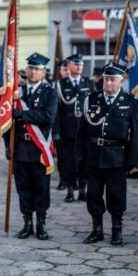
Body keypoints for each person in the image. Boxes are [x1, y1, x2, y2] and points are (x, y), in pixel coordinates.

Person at [77, 63, 138, 246]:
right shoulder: (91, 99)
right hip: (94, 155)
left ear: (121, 81)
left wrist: (133, 159)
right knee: (94, 194)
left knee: (116, 195)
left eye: (113, 79)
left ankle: (116, 229)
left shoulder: (131, 101)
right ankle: (97, 229)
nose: (109, 83)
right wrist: (79, 155)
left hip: (117, 156)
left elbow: (136, 134)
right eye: (106, 79)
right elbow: (81, 130)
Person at [4, 53, 57, 240]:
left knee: (41, 187)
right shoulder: (17, 93)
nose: (33, 72)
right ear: (26, 70)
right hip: (20, 147)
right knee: (23, 187)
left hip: (39, 148)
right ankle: (27, 223)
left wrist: (23, 115)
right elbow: (6, 122)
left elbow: (48, 117)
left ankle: (41, 223)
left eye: (37, 69)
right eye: (30, 68)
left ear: (43, 72)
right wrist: (7, 145)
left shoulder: (50, 93)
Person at [54, 54, 94, 202]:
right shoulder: (61, 85)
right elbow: (57, 111)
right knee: (68, 163)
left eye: (81, 64)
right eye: (76, 64)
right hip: (67, 130)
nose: (79, 67)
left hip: (85, 130)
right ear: (69, 66)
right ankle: (70, 189)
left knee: (84, 161)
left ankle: (83, 188)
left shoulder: (88, 83)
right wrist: (56, 131)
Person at [55, 59, 69, 191]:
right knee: (61, 157)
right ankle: (62, 179)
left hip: (73, 128)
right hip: (61, 128)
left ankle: (72, 180)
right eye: (64, 69)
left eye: (67, 69)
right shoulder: (57, 85)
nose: (66, 72)